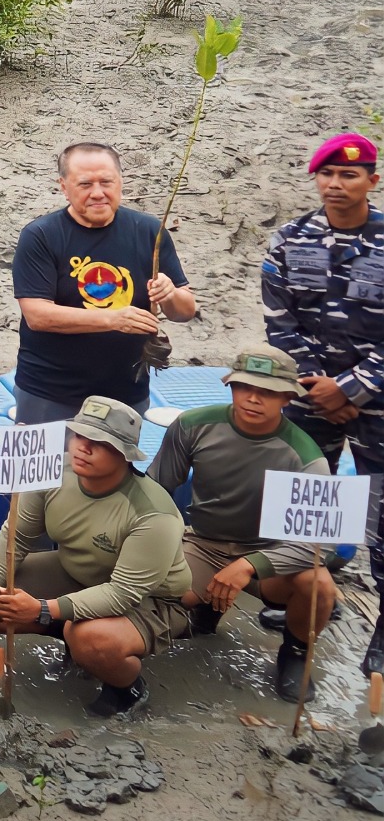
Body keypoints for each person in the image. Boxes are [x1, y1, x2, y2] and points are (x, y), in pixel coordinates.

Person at [0, 395, 190, 718]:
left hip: (149, 599)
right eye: (79, 435)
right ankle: (72, 639)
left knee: (90, 639)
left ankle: (128, 687)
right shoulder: (53, 470)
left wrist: (41, 609)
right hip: (76, 572)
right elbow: (16, 537)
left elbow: (122, 594)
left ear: (125, 453)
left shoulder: (154, 514)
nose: (83, 447)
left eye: (99, 442)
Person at [259, 130, 384, 677]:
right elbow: (280, 322)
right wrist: (321, 389)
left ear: (372, 180)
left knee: (382, 518)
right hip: (311, 398)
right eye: (326, 174)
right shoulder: (290, 240)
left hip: (379, 402)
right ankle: (300, 601)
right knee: (304, 507)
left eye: (349, 175)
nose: (335, 184)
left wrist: (352, 389)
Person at [147, 349, 339, 699]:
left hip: (269, 555)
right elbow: (155, 491)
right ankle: (204, 608)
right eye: (244, 387)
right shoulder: (192, 425)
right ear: (231, 386)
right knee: (149, 590)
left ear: (287, 397)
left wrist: (250, 565)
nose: (253, 398)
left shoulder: (307, 457)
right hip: (204, 543)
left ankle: (295, 653)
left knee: (319, 584)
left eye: (267, 391)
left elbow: (318, 546)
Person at [11, 143, 196, 424]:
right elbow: (37, 316)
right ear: (64, 187)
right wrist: (112, 319)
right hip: (50, 392)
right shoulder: (41, 235)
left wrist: (169, 294)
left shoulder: (149, 231)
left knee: (119, 455)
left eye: (106, 182)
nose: (97, 193)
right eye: (85, 184)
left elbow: (185, 312)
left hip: (127, 391)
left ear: (120, 182)